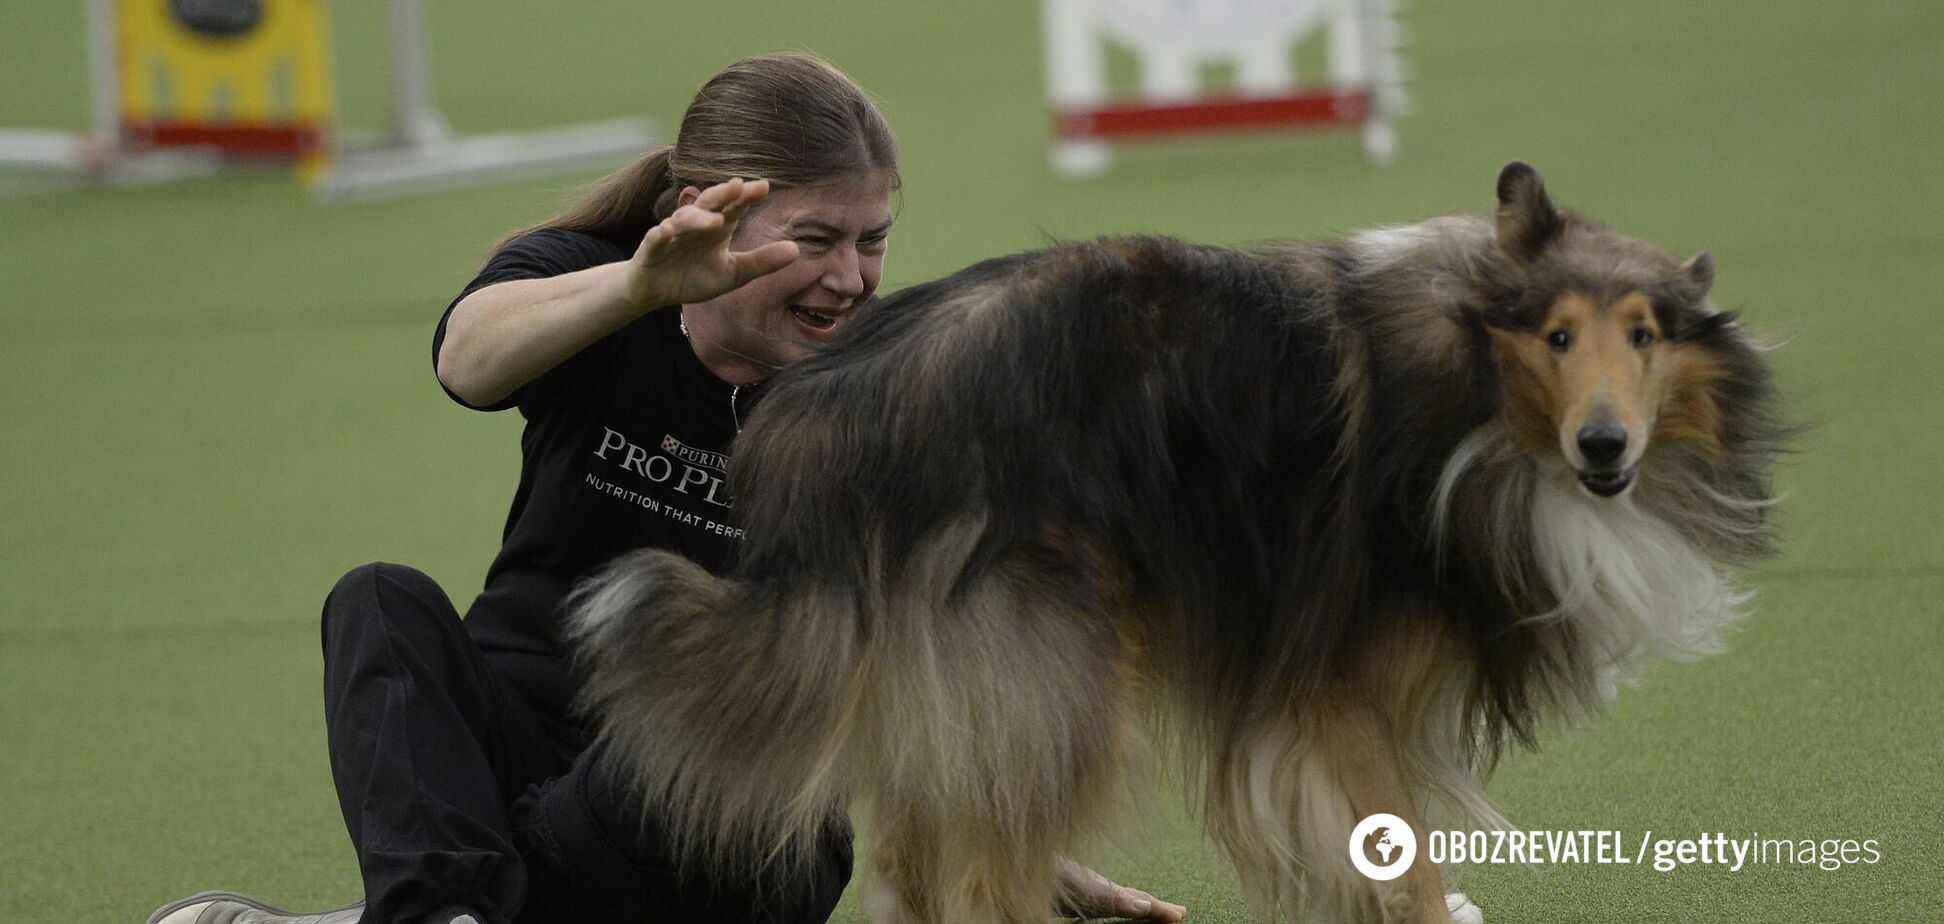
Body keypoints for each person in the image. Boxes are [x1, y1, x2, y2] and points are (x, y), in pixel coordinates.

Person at [146, 53, 1187, 924]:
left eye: (872, 241)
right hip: (524, 729)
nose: (851, 278)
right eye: (815, 239)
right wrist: (640, 288)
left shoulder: (885, 384)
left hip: (727, 798)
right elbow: (466, 361)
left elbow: (909, 658)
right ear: (704, 213)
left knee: (697, 753)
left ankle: (429, 907)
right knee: (377, 601)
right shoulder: (595, 277)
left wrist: (1007, 848)